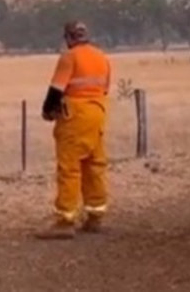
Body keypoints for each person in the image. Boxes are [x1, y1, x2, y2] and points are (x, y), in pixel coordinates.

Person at [36, 21, 111, 240]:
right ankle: (95, 216)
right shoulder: (101, 56)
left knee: (69, 168)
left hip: (74, 116)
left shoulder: (70, 57)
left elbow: (57, 89)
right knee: (94, 165)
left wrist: (48, 111)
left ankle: (64, 220)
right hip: (97, 113)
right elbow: (104, 87)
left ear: (68, 38)